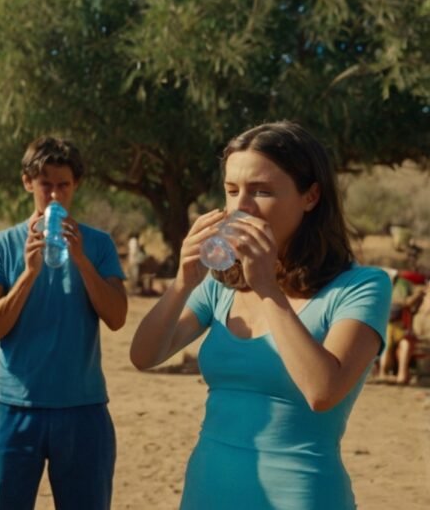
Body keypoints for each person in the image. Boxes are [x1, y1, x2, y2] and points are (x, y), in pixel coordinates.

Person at [130, 121, 392, 509]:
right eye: (232, 191)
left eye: (262, 191)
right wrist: (183, 283)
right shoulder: (221, 285)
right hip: (207, 488)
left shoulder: (361, 285)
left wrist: (269, 289)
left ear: (311, 196)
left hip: (301, 494)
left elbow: (323, 392)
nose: (241, 208)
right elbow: (144, 356)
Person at [0, 136, 128, 510]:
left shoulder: (98, 244)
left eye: (64, 185)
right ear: (28, 183)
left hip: (83, 408)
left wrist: (81, 261)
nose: (55, 196)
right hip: (12, 409)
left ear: (76, 185)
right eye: (47, 185)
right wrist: (28, 274)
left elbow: (117, 317)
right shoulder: (2, 245)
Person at [379, 270, 423, 384]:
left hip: (402, 326)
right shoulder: (389, 289)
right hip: (389, 326)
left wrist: (418, 297)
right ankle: (383, 373)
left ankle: (401, 375)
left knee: (405, 346)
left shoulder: (404, 286)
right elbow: (404, 303)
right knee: (387, 347)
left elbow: (411, 307)